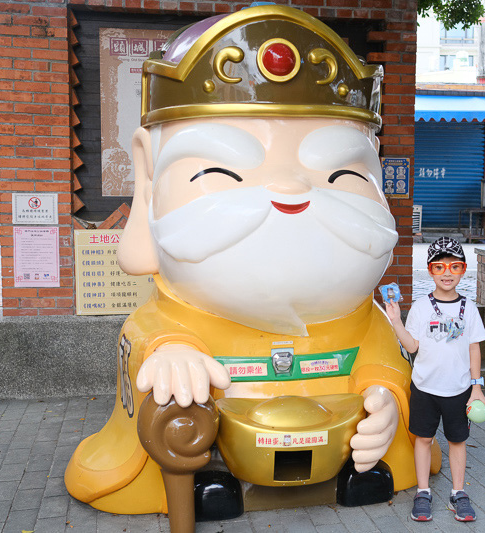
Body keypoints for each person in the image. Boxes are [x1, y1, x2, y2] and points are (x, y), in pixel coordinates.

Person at [65, 4, 419, 518]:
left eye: (343, 175)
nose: (291, 192)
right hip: (225, 421)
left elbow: (381, 356)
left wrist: (387, 397)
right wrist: (167, 354)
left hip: (333, 419)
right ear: (149, 179)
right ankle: (208, 479)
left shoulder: (360, 318)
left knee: (373, 462)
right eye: (220, 171)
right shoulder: (179, 311)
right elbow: (147, 332)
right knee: (191, 437)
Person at [384, 236, 485, 522]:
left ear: (463, 270)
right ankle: (423, 492)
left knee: (458, 440)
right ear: (430, 270)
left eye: (454, 267)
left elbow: (474, 348)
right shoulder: (420, 308)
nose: (447, 273)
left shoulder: (468, 309)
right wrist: (395, 320)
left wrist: (476, 388)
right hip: (425, 388)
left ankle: (458, 492)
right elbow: (411, 346)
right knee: (423, 438)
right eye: (439, 266)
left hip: (458, 390)